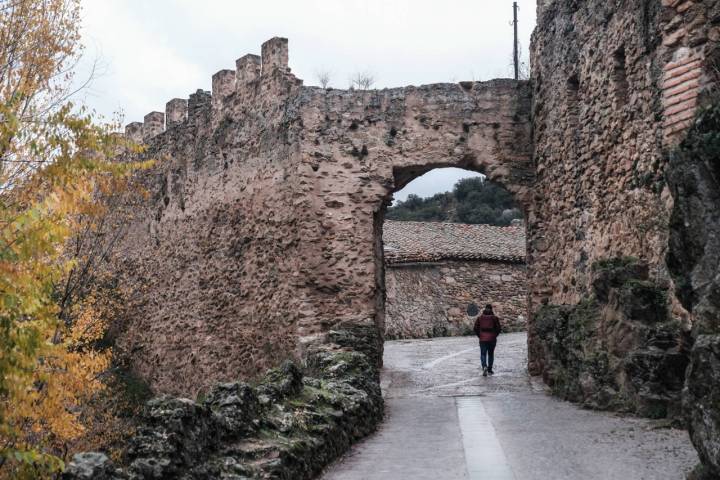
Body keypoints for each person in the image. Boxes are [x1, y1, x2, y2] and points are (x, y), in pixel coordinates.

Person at [473, 304, 502, 376]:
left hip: (483, 338)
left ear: (485, 309)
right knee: (491, 354)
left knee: (483, 354)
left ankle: (484, 366)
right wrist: (495, 335)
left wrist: (480, 336)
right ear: (491, 309)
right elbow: (498, 328)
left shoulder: (480, 318)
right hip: (492, 338)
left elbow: (475, 328)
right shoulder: (494, 318)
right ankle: (490, 369)